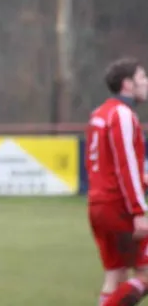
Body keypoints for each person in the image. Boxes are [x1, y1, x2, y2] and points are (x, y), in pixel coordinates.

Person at [85, 57, 148, 306]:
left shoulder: (99, 113)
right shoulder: (122, 115)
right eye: (143, 77)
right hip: (119, 207)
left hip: (98, 204)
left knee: (115, 276)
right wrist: (138, 211)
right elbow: (126, 166)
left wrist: (143, 180)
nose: (146, 82)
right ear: (127, 84)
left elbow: (105, 167)